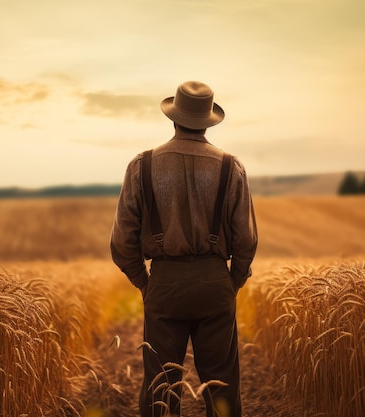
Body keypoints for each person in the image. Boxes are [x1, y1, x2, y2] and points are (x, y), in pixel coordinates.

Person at [110, 80, 258, 417]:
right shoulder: (230, 166)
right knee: (221, 388)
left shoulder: (141, 165)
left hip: (164, 283)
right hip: (215, 282)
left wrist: (146, 283)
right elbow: (246, 240)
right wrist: (230, 282)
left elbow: (121, 241)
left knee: (160, 388)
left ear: (174, 118)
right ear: (208, 121)